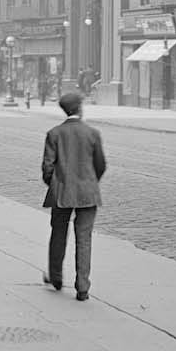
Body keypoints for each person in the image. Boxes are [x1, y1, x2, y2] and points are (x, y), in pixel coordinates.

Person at [41, 91, 107, 302]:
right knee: (84, 238)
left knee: (58, 234)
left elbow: (47, 167)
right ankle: (82, 288)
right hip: (88, 192)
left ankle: (56, 277)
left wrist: (56, 183)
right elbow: (100, 165)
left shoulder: (54, 133)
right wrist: (90, 182)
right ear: (79, 108)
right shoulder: (92, 133)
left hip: (62, 192)